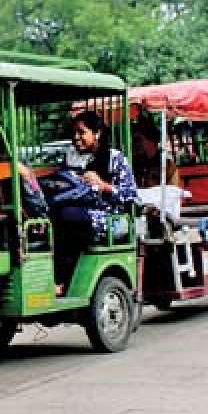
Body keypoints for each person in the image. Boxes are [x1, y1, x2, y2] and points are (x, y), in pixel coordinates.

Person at [51, 111, 138, 294]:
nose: (76, 138)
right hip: (78, 211)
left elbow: (130, 195)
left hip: (111, 218)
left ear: (96, 133)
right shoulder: (71, 158)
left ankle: (63, 279)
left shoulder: (115, 158)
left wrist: (103, 185)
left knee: (67, 217)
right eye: (74, 133)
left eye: (81, 132)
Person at [131, 116, 178, 190]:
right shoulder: (134, 165)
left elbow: (172, 194)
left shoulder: (167, 166)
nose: (135, 144)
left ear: (151, 140)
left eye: (138, 140)